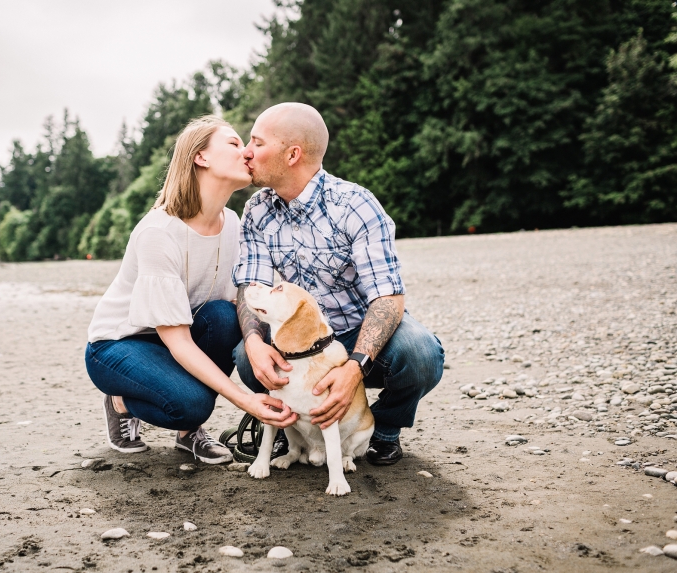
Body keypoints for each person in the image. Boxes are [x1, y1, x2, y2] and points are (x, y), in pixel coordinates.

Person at [232, 103, 444, 465]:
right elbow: (251, 285)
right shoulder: (256, 209)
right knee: (246, 359)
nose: (246, 152)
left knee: (422, 355)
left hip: (361, 334)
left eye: (257, 142)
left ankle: (383, 430)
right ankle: (290, 425)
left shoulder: (355, 205)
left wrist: (353, 368)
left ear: (292, 154)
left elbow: (387, 298)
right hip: (301, 339)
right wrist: (253, 341)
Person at [85, 116, 298, 464]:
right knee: (191, 404)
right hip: (118, 345)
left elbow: (238, 300)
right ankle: (119, 400)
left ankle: (189, 437)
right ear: (201, 157)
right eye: (233, 143)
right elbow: (179, 340)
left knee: (226, 315)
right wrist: (247, 400)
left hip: (177, 335)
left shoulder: (234, 224)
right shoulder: (159, 232)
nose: (246, 151)